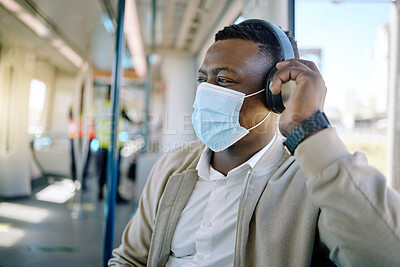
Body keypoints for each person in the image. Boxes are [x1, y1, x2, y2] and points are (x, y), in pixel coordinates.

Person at [109, 19, 400, 266]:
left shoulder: (313, 183)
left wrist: (309, 127)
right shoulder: (172, 167)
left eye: (223, 80)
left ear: (278, 93)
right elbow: (130, 260)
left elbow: (388, 251)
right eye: (203, 80)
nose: (206, 92)